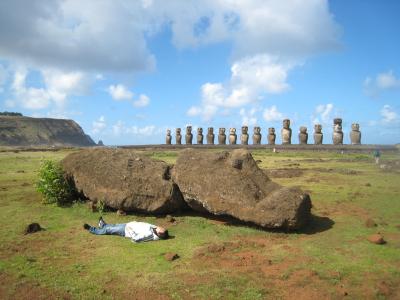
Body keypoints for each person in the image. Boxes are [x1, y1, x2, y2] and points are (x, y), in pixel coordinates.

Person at [83, 217, 169, 242]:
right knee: (113, 226)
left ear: (159, 233)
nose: (161, 227)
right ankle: (103, 225)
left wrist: (130, 229)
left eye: (161, 229)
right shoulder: (155, 228)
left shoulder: (149, 235)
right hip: (129, 224)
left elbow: (135, 239)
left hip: (126, 230)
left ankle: (91, 229)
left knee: (108, 230)